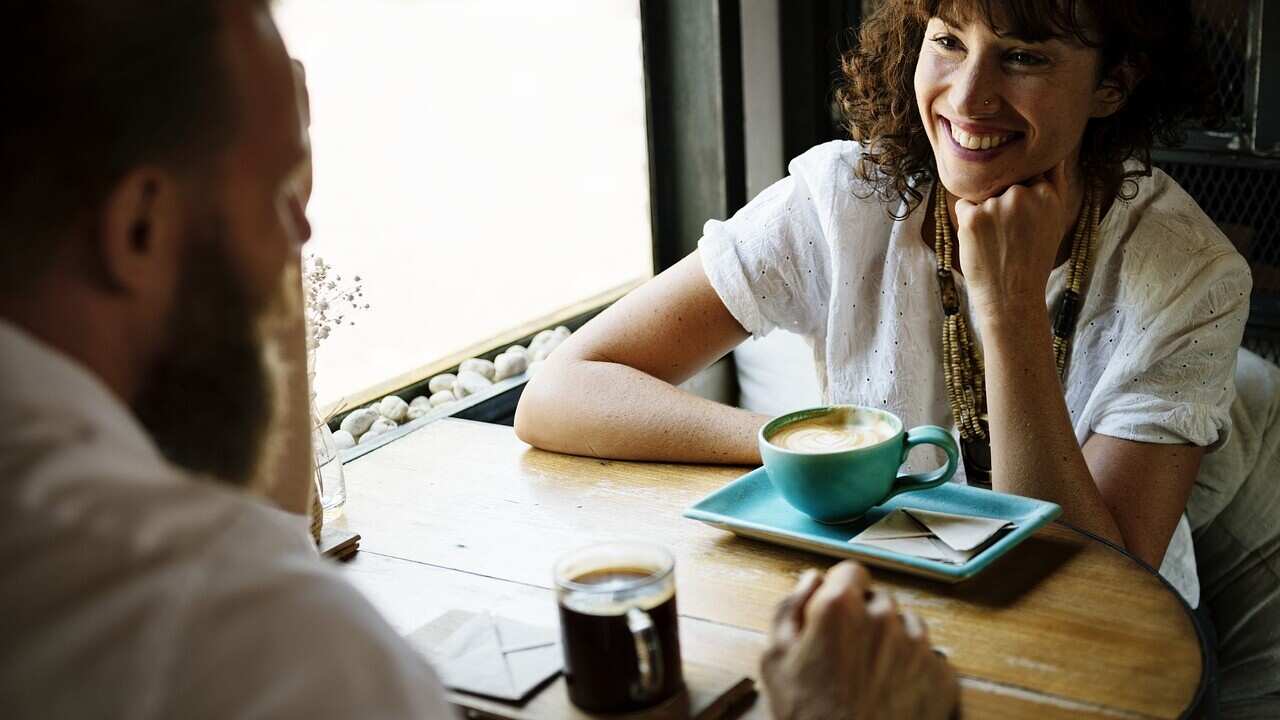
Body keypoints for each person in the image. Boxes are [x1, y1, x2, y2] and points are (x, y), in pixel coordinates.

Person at [0, 2, 957, 718]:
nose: (304, 240)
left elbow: (257, 522)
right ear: (138, 228)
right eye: (282, 196)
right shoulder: (270, 650)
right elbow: (259, 538)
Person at [516, 0, 1251, 609]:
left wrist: (1009, 307)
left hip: (1114, 658)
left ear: (1112, 84)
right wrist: (820, 453)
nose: (967, 97)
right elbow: (558, 392)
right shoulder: (848, 199)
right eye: (949, 41)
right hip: (882, 609)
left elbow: (1099, 591)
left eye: (1023, 56)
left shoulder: (1194, 274)